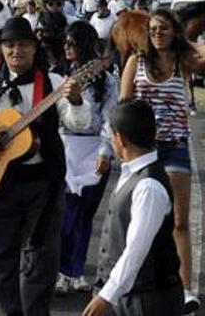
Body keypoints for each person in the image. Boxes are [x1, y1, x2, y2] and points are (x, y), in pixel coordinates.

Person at [0, 16, 90, 316]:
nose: (16, 51)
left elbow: (80, 123)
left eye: (23, 45)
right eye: (10, 45)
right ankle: (13, 312)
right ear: (1, 49)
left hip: (43, 182)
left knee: (42, 255)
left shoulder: (54, 84)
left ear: (35, 48)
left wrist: (76, 101)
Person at [119, 8, 205, 313]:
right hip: (143, 149)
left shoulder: (181, 61)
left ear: (174, 31)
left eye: (163, 29)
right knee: (137, 220)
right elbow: (122, 106)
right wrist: (121, 149)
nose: (157, 34)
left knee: (178, 222)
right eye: (153, 30)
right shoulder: (137, 61)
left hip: (174, 147)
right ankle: (131, 281)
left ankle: (186, 289)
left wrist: (184, 42)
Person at [83, 99, 183, 316]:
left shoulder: (148, 186)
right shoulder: (133, 173)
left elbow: (136, 250)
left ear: (120, 139)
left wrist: (106, 295)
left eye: (111, 135)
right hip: (129, 296)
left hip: (148, 300)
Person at [56, 21, 119, 294]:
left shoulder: (106, 80)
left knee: (84, 215)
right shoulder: (56, 75)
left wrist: (107, 151)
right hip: (64, 147)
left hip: (93, 148)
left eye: (73, 43)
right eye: (66, 43)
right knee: (65, 213)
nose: (68, 48)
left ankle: (77, 271)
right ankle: (61, 271)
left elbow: (111, 118)